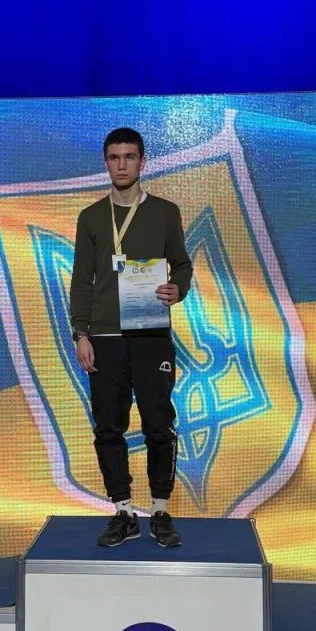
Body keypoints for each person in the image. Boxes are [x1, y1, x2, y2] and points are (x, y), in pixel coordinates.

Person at [70, 128, 193, 547]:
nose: (121, 165)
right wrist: (80, 333)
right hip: (104, 336)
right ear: (106, 162)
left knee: (158, 421)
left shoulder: (164, 212)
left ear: (142, 162)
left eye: (129, 157)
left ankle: (160, 509)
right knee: (109, 425)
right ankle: (122, 511)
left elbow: (182, 264)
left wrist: (179, 288)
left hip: (151, 333)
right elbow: (81, 281)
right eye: (114, 157)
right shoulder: (91, 217)